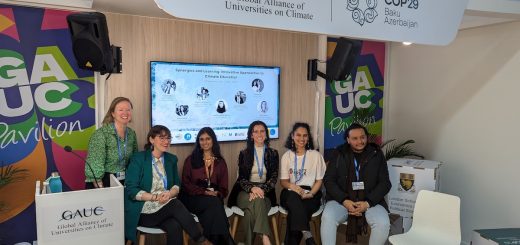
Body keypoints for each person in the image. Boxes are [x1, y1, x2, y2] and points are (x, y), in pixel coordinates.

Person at [124, 125, 211, 245]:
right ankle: (201, 240)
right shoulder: (138, 159)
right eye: (162, 138)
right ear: (151, 140)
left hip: (165, 206)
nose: (166, 142)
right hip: (143, 210)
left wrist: (169, 194)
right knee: (175, 204)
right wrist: (155, 197)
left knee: (175, 226)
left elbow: (176, 185)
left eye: (168, 138)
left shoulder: (171, 159)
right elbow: (131, 190)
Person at [320, 123, 391, 245]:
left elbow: (385, 183)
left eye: (362, 137)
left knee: (383, 223)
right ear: (348, 140)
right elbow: (329, 180)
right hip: (341, 201)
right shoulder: (339, 153)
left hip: (371, 202)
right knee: (328, 218)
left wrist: (367, 203)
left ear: (366, 137)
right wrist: (345, 200)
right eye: (355, 138)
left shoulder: (376, 153)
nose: (360, 141)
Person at [180, 127, 235, 245]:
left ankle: (213, 240)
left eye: (208, 139)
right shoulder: (190, 160)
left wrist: (217, 193)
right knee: (214, 203)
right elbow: (186, 184)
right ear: (198, 142)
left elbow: (224, 188)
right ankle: (227, 239)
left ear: (213, 140)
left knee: (213, 205)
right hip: (191, 198)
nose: (205, 142)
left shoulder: (220, 162)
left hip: (212, 200)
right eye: (201, 139)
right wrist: (205, 192)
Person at [228, 121, 279, 245]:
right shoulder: (244, 153)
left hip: (265, 193)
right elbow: (242, 178)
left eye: (262, 131)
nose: (259, 134)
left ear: (266, 134)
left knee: (250, 213)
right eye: (255, 131)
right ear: (251, 135)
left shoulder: (273, 153)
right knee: (258, 201)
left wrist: (261, 190)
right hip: (245, 192)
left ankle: (249, 242)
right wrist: (252, 189)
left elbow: (274, 177)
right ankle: (265, 236)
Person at [280, 123, 326, 245]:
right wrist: (294, 187)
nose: (302, 138)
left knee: (296, 212)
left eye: (305, 135)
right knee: (293, 199)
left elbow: (319, 180)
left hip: (312, 192)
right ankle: (307, 234)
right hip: (290, 191)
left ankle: (291, 241)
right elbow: (283, 182)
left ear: (308, 137)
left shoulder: (315, 156)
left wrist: (310, 194)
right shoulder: (287, 156)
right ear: (292, 136)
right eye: (298, 135)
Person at [85, 97, 138, 189]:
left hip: (126, 180)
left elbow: (135, 158)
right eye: (121, 110)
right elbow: (95, 163)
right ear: (113, 113)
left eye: (128, 110)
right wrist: (100, 187)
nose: (125, 113)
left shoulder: (131, 134)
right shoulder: (102, 134)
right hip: (103, 181)